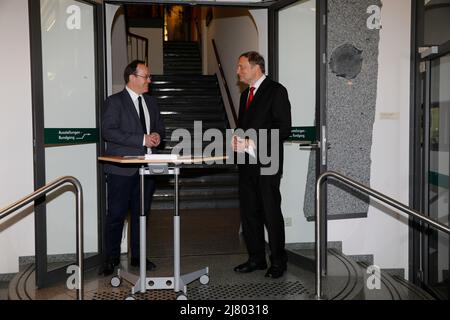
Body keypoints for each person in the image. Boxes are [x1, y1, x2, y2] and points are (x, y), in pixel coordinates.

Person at [100, 60, 165, 276]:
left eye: (148, 76)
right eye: (146, 76)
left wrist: (156, 136)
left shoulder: (152, 103)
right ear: (132, 78)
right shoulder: (114, 102)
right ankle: (111, 258)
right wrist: (142, 139)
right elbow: (109, 132)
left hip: (147, 169)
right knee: (116, 215)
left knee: (142, 215)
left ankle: (138, 256)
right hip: (121, 170)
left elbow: (159, 130)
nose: (149, 80)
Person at [231, 51, 292, 279]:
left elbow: (283, 128)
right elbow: (243, 127)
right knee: (249, 214)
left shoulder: (276, 91)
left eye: (241, 66)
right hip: (246, 164)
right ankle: (256, 258)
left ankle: (278, 261)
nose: (238, 71)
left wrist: (253, 141)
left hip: (267, 163)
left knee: (270, 213)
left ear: (256, 67)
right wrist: (238, 141)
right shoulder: (244, 95)